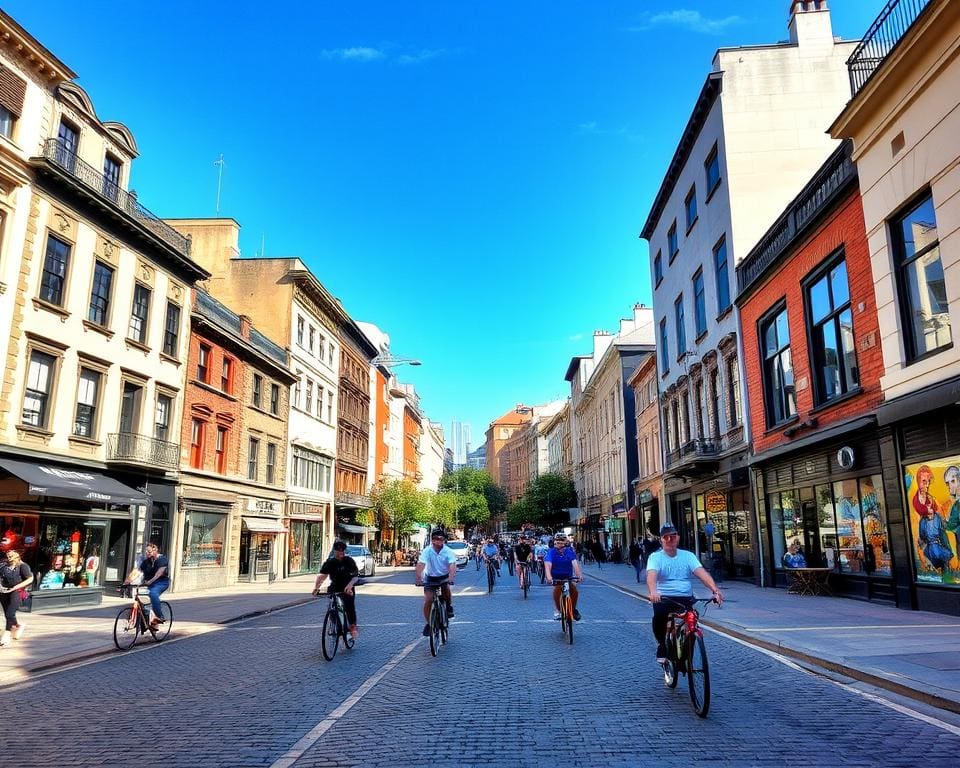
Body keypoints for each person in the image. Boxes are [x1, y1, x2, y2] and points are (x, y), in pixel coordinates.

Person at [646, 523, 723, 663]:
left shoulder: (688, 556)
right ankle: (662, 645)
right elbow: (651, 575)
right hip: (664, 597)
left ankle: (686, 650)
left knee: (693, 620)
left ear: (678, 538)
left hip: (686, 597)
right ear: (661, 540)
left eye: (673, 536)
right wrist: (653, 592)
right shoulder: (655, 557)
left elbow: (701, 574)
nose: (670, 539)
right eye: (666, 537)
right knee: (659, 617)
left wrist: (715, 590)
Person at [313, 539, 360, 638]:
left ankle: (352, 626)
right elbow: (322, 576)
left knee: (349, 606)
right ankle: (334, 621)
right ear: (334, 551)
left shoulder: (348, 561)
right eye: (338, 551)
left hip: (348, 588)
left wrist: (349, 585)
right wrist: (316, 588)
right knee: (333, 605)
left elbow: (355, 577)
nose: (340, 553)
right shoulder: (330, 563)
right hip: (335, 587)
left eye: (342, 551)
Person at [415, 529, 457, 636]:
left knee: (446, 589)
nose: (438, 541)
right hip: (430, 577)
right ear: (432, 540)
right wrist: (419, 578)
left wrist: (451, 578)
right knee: (428, 600)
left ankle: (448, 607)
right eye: (436, 539)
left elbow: (452, 565)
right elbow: (421, 564)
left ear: (444, 540)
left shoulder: (448, 551)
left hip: (443, 576)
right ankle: (429, 623)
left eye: (441, 539)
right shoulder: (427, 551)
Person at [545, 532, 583, 621]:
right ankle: (559, 610)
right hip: (556, 577)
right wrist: (549, 577)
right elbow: (548, 565)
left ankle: (573, 609)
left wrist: (579, 575)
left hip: (568, 576)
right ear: (555, 541)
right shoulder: (551, 552)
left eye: (562, 540)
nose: (559, 542)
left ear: (565, 541)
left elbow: (574, 563)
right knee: (557, 591)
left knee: (574, 590)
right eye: (557, 540)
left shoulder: (569, 551)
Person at [0, 549, 32, 645]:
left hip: (16, 592)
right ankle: (18, 625)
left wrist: (16, 587)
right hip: (3, 592)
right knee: (8, 614)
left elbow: (30, 578)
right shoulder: (3, 566)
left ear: (17, 555)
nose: (9, 556)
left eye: (11, 554)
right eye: (8, 554)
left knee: (10, 613)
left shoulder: (22, 566)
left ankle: (6, 636)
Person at [136, 541, 170, 629]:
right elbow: (137, 571)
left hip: (161, 582)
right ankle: (146, 622)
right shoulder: (146, 562)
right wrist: (126, 582)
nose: (147, 553)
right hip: (149, 583)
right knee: (139, 599)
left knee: (153, 594)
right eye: (146, 551)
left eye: (149, 552)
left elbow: (159, 573)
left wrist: (150, 581)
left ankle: (159, 616)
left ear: (155, 550)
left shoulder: (162, 560)